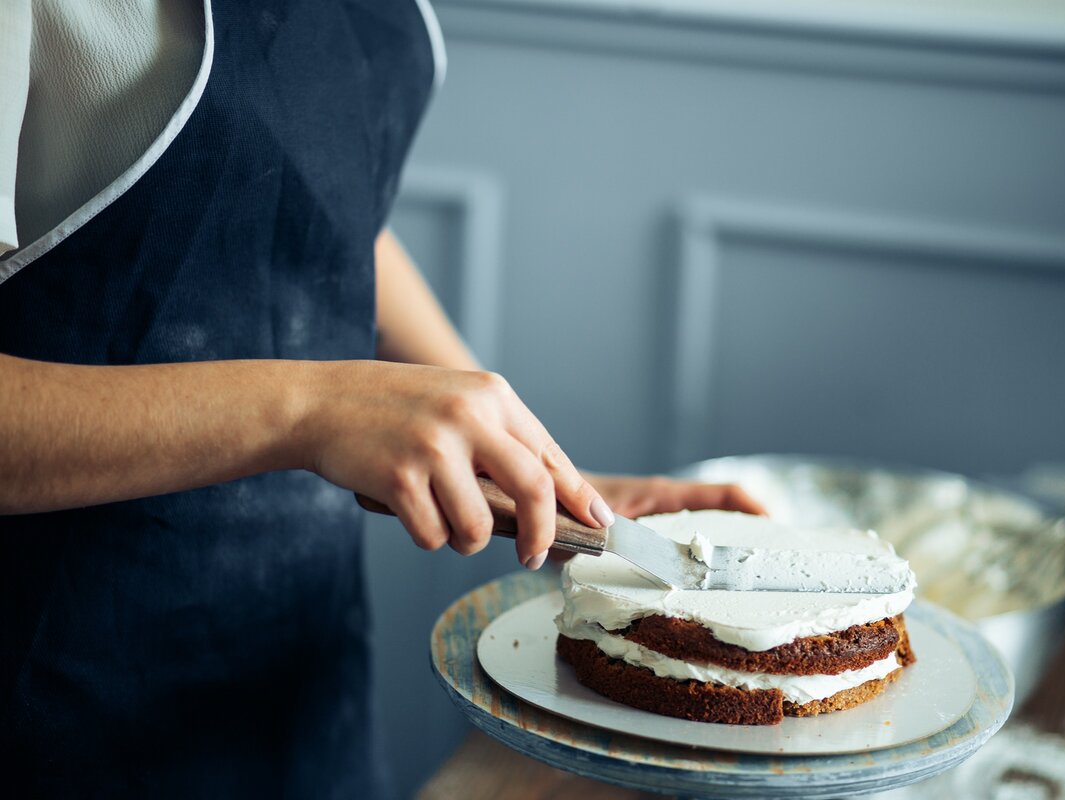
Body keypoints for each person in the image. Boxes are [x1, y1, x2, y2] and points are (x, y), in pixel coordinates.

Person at [0, 1, 762, 796]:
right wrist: (309, 409)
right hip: (53, 703)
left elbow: (318, 206)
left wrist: (522, 459)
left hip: (302, 695)